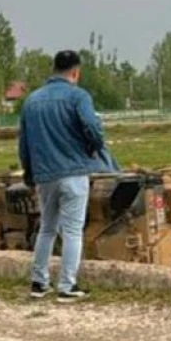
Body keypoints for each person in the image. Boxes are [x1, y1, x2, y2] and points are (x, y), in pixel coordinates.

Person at [18, 50, 115, 302]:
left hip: (45, 175)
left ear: (54, 69)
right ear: (75, 72)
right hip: (73, 172)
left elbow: (24, 143)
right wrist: (94, 145)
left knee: (47, 228)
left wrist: (30, 173)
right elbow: (92, 126)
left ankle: (39, 283)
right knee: (72, 230)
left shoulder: (31, 101)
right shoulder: (78, 96)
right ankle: (67, 286)